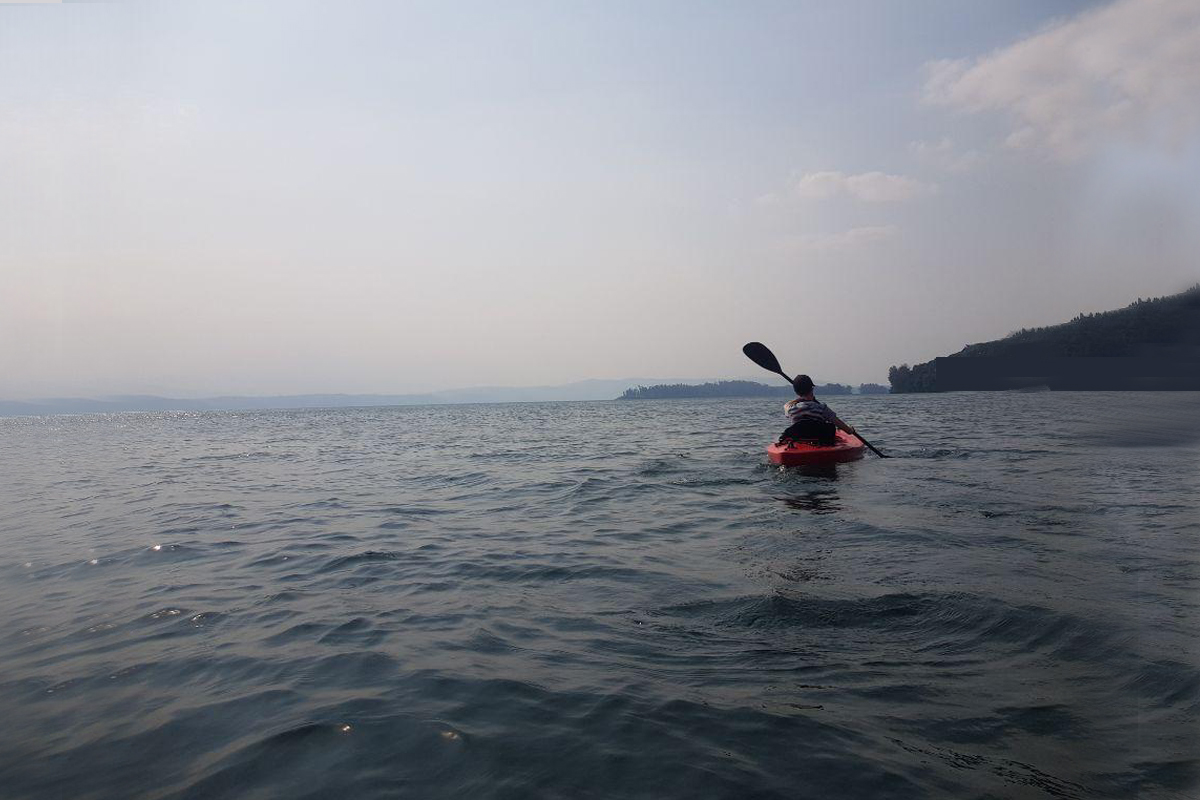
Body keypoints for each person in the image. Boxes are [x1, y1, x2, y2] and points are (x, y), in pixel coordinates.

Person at [779, 375, 857, 445]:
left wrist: (799, 399)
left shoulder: (791, 409)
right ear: (812, 389)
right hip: (821, 439)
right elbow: (837, 422)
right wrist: (850, 430)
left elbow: (786, 405)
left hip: (799, 437)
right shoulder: (822, 408)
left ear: (796, 392)